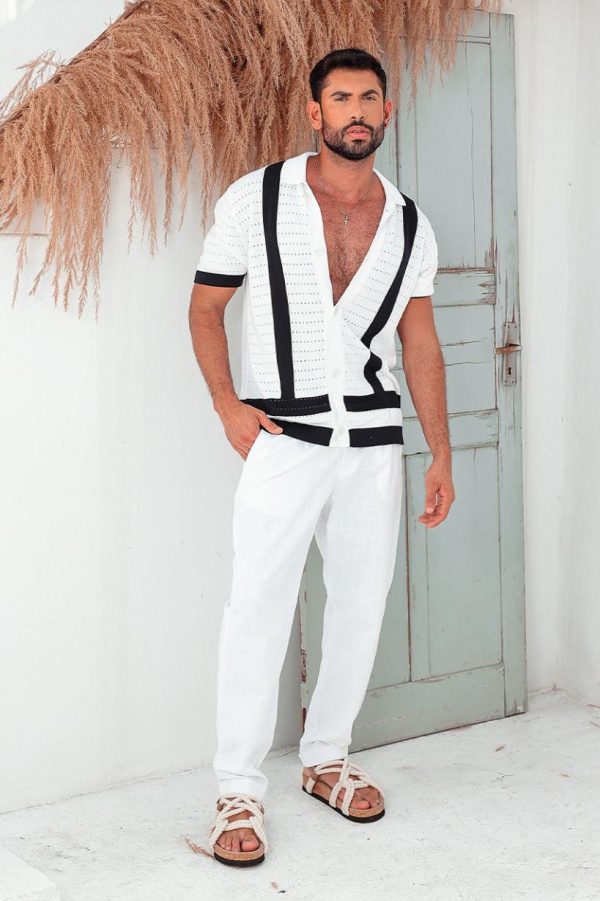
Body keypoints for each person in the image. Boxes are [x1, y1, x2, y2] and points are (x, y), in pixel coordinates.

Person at [188, 47, 455, 867]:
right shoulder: (256, 198)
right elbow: (205, 306)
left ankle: (326, 758)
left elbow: (420, 340)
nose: (356, 111)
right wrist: (226, 403)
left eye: (369, 97)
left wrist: (439, 451)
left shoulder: (409, 222)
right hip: (283, 437)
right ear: (315, 113)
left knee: (360, 604)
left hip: (373, 442)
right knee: (257, 605)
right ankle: (237, 787)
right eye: (340, 98)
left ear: (387, 111)